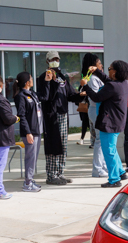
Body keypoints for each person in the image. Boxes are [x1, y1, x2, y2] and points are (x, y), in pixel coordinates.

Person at [82, 60, 128, 188]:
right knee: (112, 148)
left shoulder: (113, 86)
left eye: (109, 68)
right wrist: (97, 71)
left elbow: (96, 97)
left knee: (108, 151)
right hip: (117, 121)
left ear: (114, 72)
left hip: (109, 122)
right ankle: (120, 172)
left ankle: (114, 179)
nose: (107, 70)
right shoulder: (123, 83)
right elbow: (107, 80)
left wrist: (86, 86)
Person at [37, 50, 84, 185]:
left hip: (63, 114)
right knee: (53, 145)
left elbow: (70, 94)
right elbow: (46, 97)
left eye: (57, 59)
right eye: (52, 59)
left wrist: (81, 95)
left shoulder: (62, 77)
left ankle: (60, 173)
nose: (55, 61)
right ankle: (51, 175)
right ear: (47, 61)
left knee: (63, 145)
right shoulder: (43, 78)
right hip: (52, 115)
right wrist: (51, 81)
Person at [13, 71, 43, 193]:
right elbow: (22, 115)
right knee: (30, 158)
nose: (32, 80)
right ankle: (28, 183)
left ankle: (30, 179)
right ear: (26, 82)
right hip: (30, 132)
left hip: (37, 130)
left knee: (34, 157)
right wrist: (28, 132)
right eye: (31, 78)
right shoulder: (21, 96)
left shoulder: (32, 94)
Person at [83, 53, 108, 179]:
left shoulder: (98, 78)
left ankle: (102, 166)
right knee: (99, 139)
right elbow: (95, 98)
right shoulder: (92, 79)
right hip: (95, 109)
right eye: (99, 63)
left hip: (100, 109)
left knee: (102, 139)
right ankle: (97, 169)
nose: (101, 65)